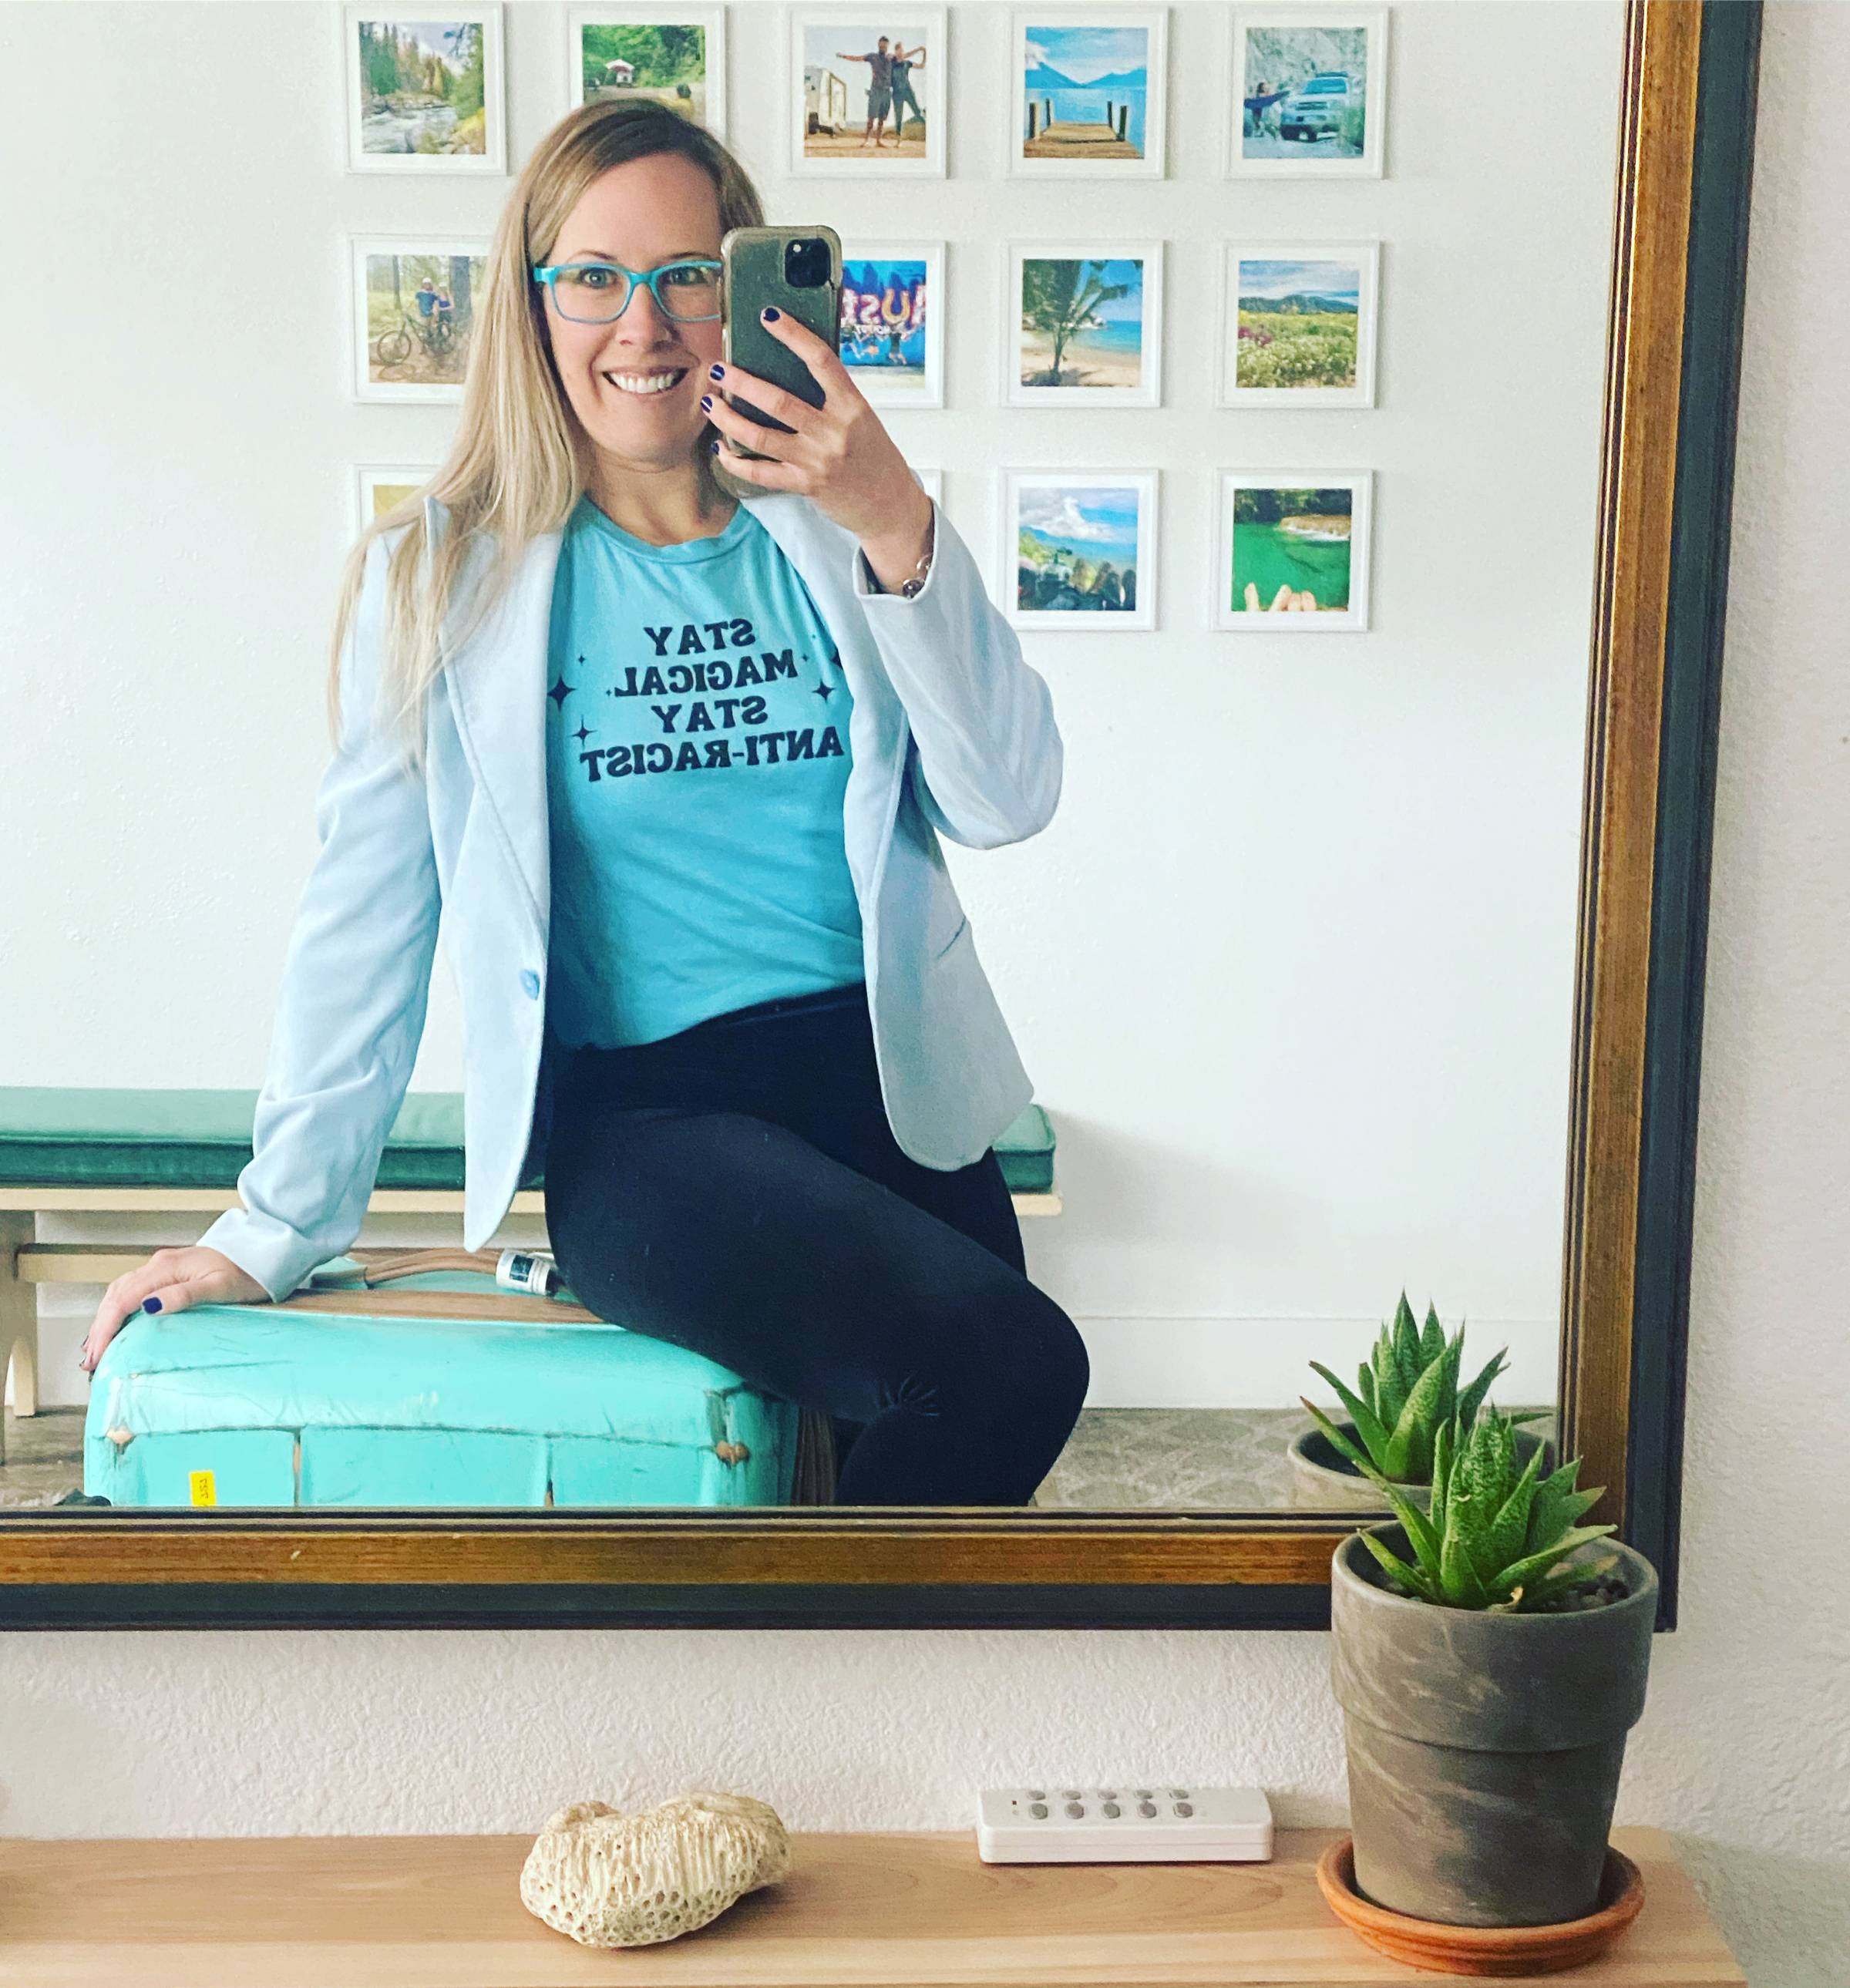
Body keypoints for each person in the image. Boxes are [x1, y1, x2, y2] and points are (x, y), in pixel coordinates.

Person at [79, 99, 1088, 1509]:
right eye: (596, 278)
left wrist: (894, 518)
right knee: (1010, 1366)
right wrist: (275, 1222)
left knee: (934, 1467)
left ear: (746, 290)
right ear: (534, 302)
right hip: (658, 1128)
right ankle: (774, 1654)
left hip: (897, 1098)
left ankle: (797, 1661)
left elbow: (1008, 796)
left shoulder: (840, 526)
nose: (645, 325)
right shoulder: (443, 576)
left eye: (688, 275)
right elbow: (364, 923)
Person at [836, 38, 895, 147]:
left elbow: (903, 59)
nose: (882, 48)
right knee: (871, 117)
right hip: (875, 90)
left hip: (886, 91)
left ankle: (878, 141)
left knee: (882, 118)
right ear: (878, 45)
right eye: (881, 46)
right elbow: (857, 58)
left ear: (887, 46)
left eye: (884, 46)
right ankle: (866, 140)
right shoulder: (873, 57)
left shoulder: (891, 58)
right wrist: (844, 56)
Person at [889, 41, 926, 141]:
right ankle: (898, 139)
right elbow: (904, 55)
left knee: (917, 112)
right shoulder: (892, 62)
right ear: (896, 51)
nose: (901, 52)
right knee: (898, 117)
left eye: (902, 50)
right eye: (899, 50)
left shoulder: (907, 63)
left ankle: (929, 130)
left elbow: (921, 66)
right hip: (897, 94)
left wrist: (924, 54)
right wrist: (918, 49)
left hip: (908, 91)